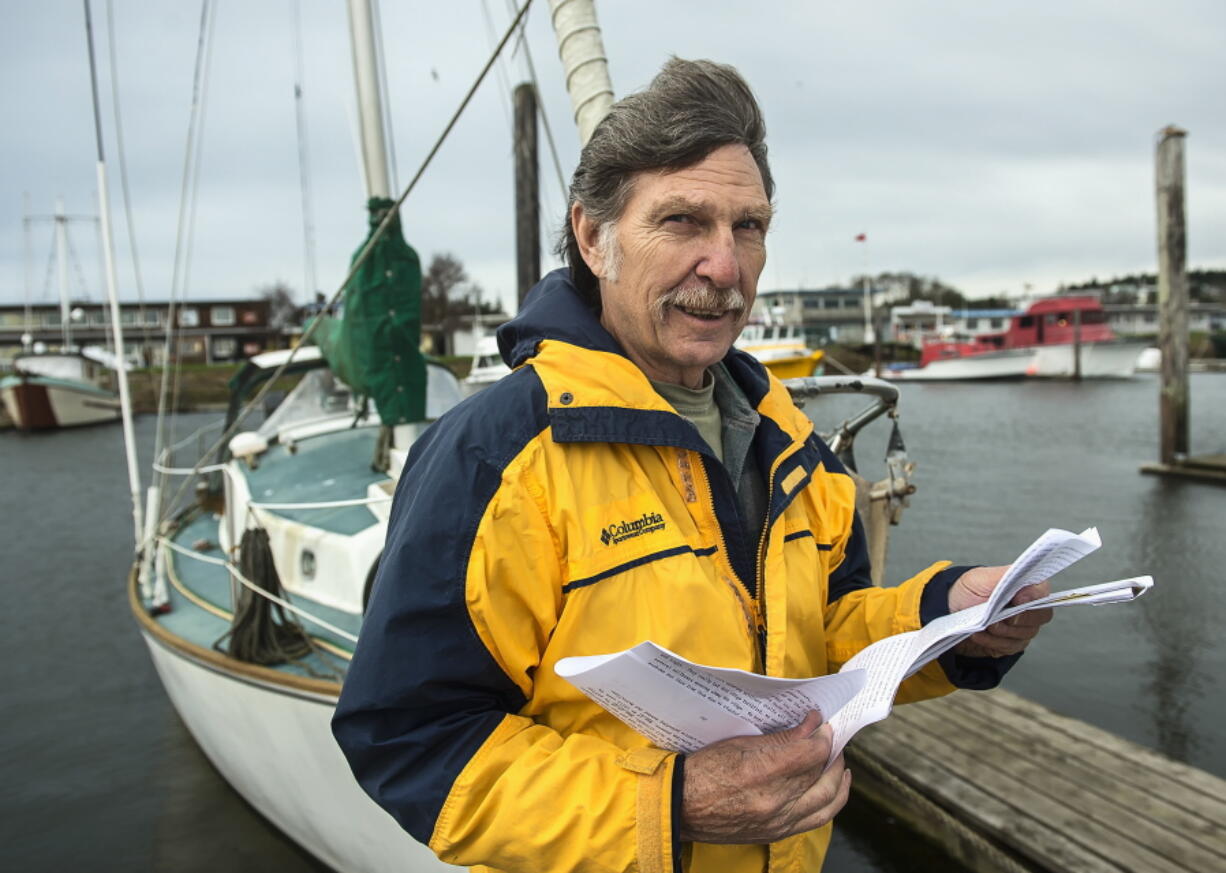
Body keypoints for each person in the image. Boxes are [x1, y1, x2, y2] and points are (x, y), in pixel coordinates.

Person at [332, 57, 1052, 873]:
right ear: (593, 237)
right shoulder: (497, 456)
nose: (725, 265)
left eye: (749, 227)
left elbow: (824, 630)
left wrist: (949, 619)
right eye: (683, 222)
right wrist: (667, 804)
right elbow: (409, 737)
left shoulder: (787, 437)